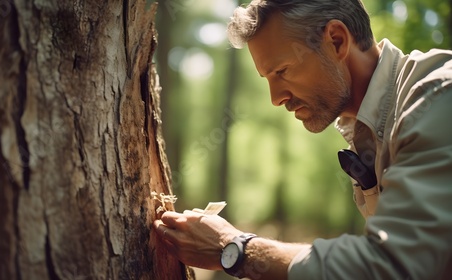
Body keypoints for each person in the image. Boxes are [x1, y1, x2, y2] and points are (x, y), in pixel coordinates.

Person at [153, 0, 452, 279]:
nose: (275, 98)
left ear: (336, 40)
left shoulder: (437, 97)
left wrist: (234, 247)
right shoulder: (370, 127)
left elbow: (395, 265)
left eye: (282, 71)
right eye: (268, 78)